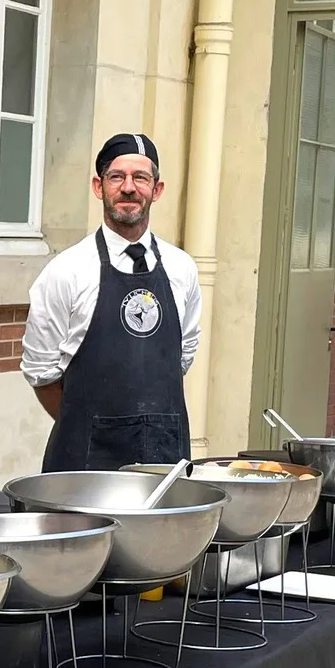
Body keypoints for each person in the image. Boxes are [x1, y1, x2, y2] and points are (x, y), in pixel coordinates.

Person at [20, 133, 203, 472]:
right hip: (86, 463)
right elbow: (41, 374)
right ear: (98, 186)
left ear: (157, 190)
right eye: (116, 177)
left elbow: (182, 356)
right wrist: (90, 425)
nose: (129, 188)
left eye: (141, 178)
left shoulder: (182, 268)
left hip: (164, 460)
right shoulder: (66, 271)